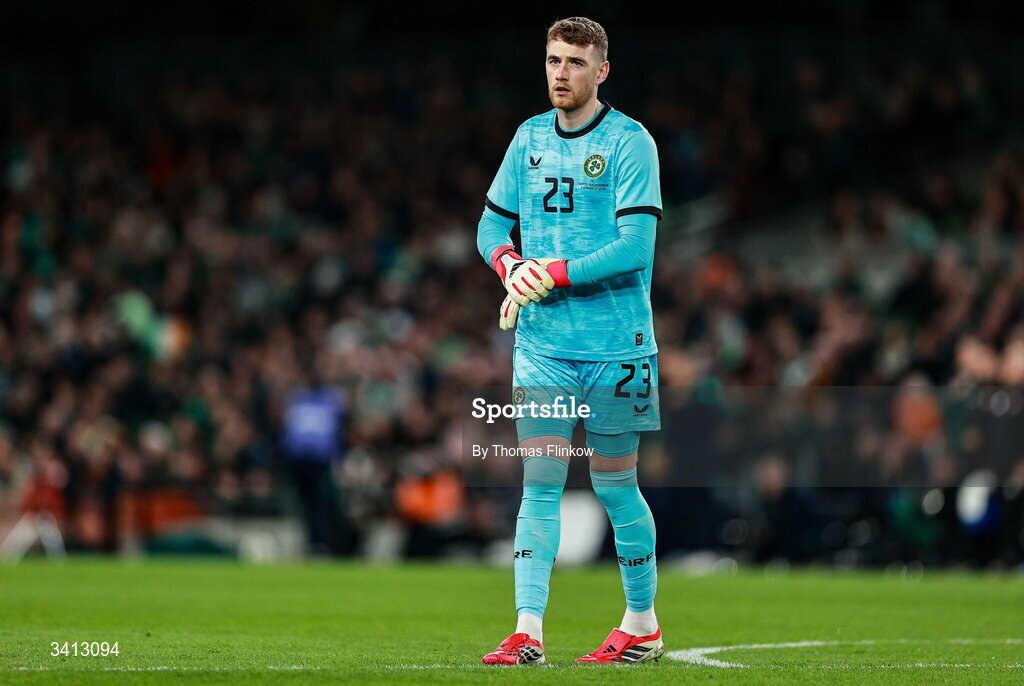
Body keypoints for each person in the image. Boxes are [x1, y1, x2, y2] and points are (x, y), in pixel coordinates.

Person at [476, 16, 664, 665]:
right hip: (544, 345)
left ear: (602, 70)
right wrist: (510, 266)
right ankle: (527, 631)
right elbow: (489, 226)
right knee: (541, 484)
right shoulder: (527, 138)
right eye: (554, 60)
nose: (561, 73)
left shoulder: (630, 143)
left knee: (615, 485)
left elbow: (637, 247)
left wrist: (550, 270)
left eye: (576, 63)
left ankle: (642, 622)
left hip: (617, 344)